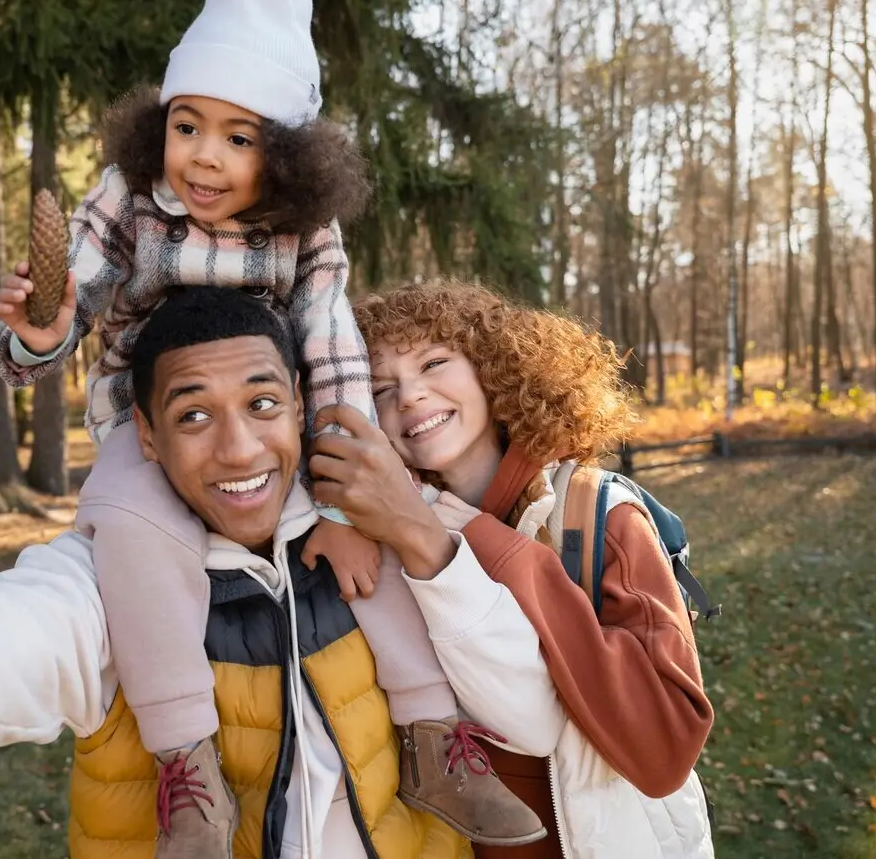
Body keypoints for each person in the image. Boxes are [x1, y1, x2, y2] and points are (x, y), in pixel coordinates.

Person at [0, 264, 564, 859]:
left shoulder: (394, 531)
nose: (240, 450)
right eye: (195, 415)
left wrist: (421, 542)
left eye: (263, 405)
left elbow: (535, 715)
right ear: (149, 441)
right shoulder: (112, 579)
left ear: (302, 404)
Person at [0, 0, 540, 851]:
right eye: (187, 125)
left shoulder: (305, 233)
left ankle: (435, 736)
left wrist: (343, 495)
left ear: (281, 156)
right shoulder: (128, 197)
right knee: (131, 536)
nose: (203, 159)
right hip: (151, 424)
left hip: (275, 421)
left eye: (238, 138)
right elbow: (68, 298)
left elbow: (333, 353)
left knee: (377, 543)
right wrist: (39, 333)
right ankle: (189, 767)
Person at [302, 279, 717, 859]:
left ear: (493, 370)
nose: (411, 396)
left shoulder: (600, 518)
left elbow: (665, 751)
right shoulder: (373, 540)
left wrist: (467, 537)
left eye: (434, 362)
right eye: (382, 387)